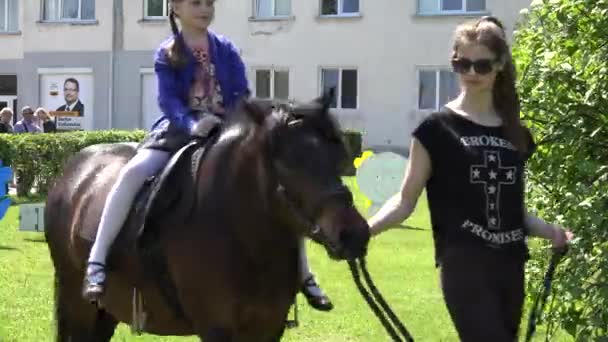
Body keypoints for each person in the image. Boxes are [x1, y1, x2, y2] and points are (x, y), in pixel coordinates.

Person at [83, 0, 334, 312]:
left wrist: (244, 122)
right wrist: (193, 123)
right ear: (175, 7)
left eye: (209, 3)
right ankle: (97, 257)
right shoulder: (167, 53)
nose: (204, 9)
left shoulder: (226, 49)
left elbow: (241, 94)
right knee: (133, 173)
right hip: (177, 131)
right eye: (196, 3)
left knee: (278, 189)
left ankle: (304, 274)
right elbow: (168, 101)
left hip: (227, 133)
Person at [367, 16, 573, 341]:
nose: (471, 73)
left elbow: (512, 210)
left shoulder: (516, 134)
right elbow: (406, 201)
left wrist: (552, 232)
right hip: (464, 265)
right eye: (463, 64)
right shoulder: (435, 130)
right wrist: (366, 231)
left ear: (500, 65)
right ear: (454, 63)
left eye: (481, 65)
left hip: (510, 265)